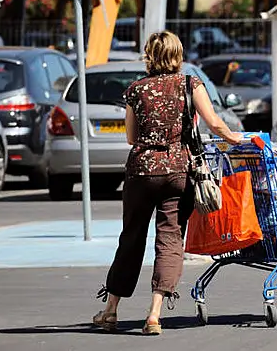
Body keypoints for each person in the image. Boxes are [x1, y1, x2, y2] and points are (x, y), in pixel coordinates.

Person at [93, 31, 244, 335]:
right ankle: (154, 314)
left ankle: (110, 311)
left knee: (131, 238)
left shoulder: (135, 90)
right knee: (170, 238)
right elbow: (214, 122)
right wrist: (235, 138)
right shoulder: (190, 84)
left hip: (141, 172)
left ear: (149, 54)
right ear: (178, 54)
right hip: (178, 171)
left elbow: (131, 138)